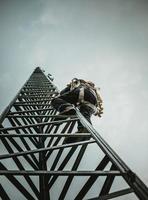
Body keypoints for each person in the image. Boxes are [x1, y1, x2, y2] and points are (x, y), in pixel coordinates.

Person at [51, 78, 103, 143]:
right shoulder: (95, 91)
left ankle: (67, 108)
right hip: (92, 104)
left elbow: (62, 92)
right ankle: (84, 131)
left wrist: (68, 88)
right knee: (85, 116)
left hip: (81, 92)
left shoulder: (80, 83)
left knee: (55, 100)